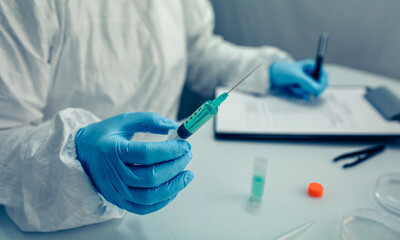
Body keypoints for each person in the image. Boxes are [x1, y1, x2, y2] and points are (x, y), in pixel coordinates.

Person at [0, 0, 328, 232]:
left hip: (166, 194)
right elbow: (5, 133)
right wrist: (77, 154)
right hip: (59, 210)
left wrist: (265, 71)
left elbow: (197, 50)